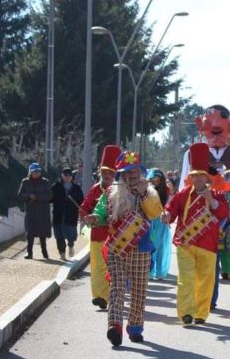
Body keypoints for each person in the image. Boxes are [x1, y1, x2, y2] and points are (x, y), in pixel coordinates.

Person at [84, 151, 162, 346]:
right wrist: (95, 218)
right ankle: (115, 326)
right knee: (117, 288)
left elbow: (155, 213)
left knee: (138, 290)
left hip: (141, 248)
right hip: (117, 247)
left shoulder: (150, 192)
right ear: (121, 175)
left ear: (140, 172)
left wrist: (144, 194)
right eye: (127, 172)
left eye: (134, 171)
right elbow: (101, 212)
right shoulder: (112, 193)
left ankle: (135, 327)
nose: (132, 175)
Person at [163, 142, 229, 325]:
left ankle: (200, 314)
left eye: (201, 176)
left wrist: (213, 202)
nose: (198, 179)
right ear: (191, 177)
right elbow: (172, 208)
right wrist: (167, 214)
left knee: (205, 282)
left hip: (208, 245)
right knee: (186, 280)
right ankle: (186, 313)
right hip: (185, 243)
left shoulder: (217, 193)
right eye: (195, 176)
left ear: (207, 178)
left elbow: (224, 213)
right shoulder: (183, 193)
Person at [80, 145, 120, 309]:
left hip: (116, 237)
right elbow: (84, 207)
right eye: (105, 172)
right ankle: (100, 296)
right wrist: (86, 217)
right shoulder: (95, 189)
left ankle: (111, 295)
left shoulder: (121, 191)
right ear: (100, 172)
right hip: (97, 235)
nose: (108, 175)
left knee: (112, 268)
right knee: (97, 268)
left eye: (111, 172)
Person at [17, 162, 52, 259]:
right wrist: (28, 196)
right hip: (30, 211)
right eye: (34, 171)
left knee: (42, 234)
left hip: (42, 211)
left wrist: (37, 197)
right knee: (30, 233)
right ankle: (29, 253)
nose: (36, 173)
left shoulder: (45, 181)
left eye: (38, 171)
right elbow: (20, 195)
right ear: (30, 172)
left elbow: (49, 195)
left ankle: (45, 253)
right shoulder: (25, 181)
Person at [50, 167, 84, 260]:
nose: (68, 177)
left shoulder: (76, 188)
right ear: (62, 175)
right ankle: (62, 253)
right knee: (59, 236)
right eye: (65, 175)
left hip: (71, 215)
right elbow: (50, 198)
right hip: (58, 215)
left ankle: (71, 245)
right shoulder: (56, 186)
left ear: (72, 176)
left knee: (71, 235)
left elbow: (82, 201)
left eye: (69, 175)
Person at [147, 168, 172, 280]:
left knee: (161, 246)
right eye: (154, 181)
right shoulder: (147, 190)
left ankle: (159, 271)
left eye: (158, 181)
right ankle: (149, 269)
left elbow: (168, 204)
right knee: (150, 245)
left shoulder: (165, 190)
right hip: (150, 221)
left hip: (161, 221)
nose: (156, 184)